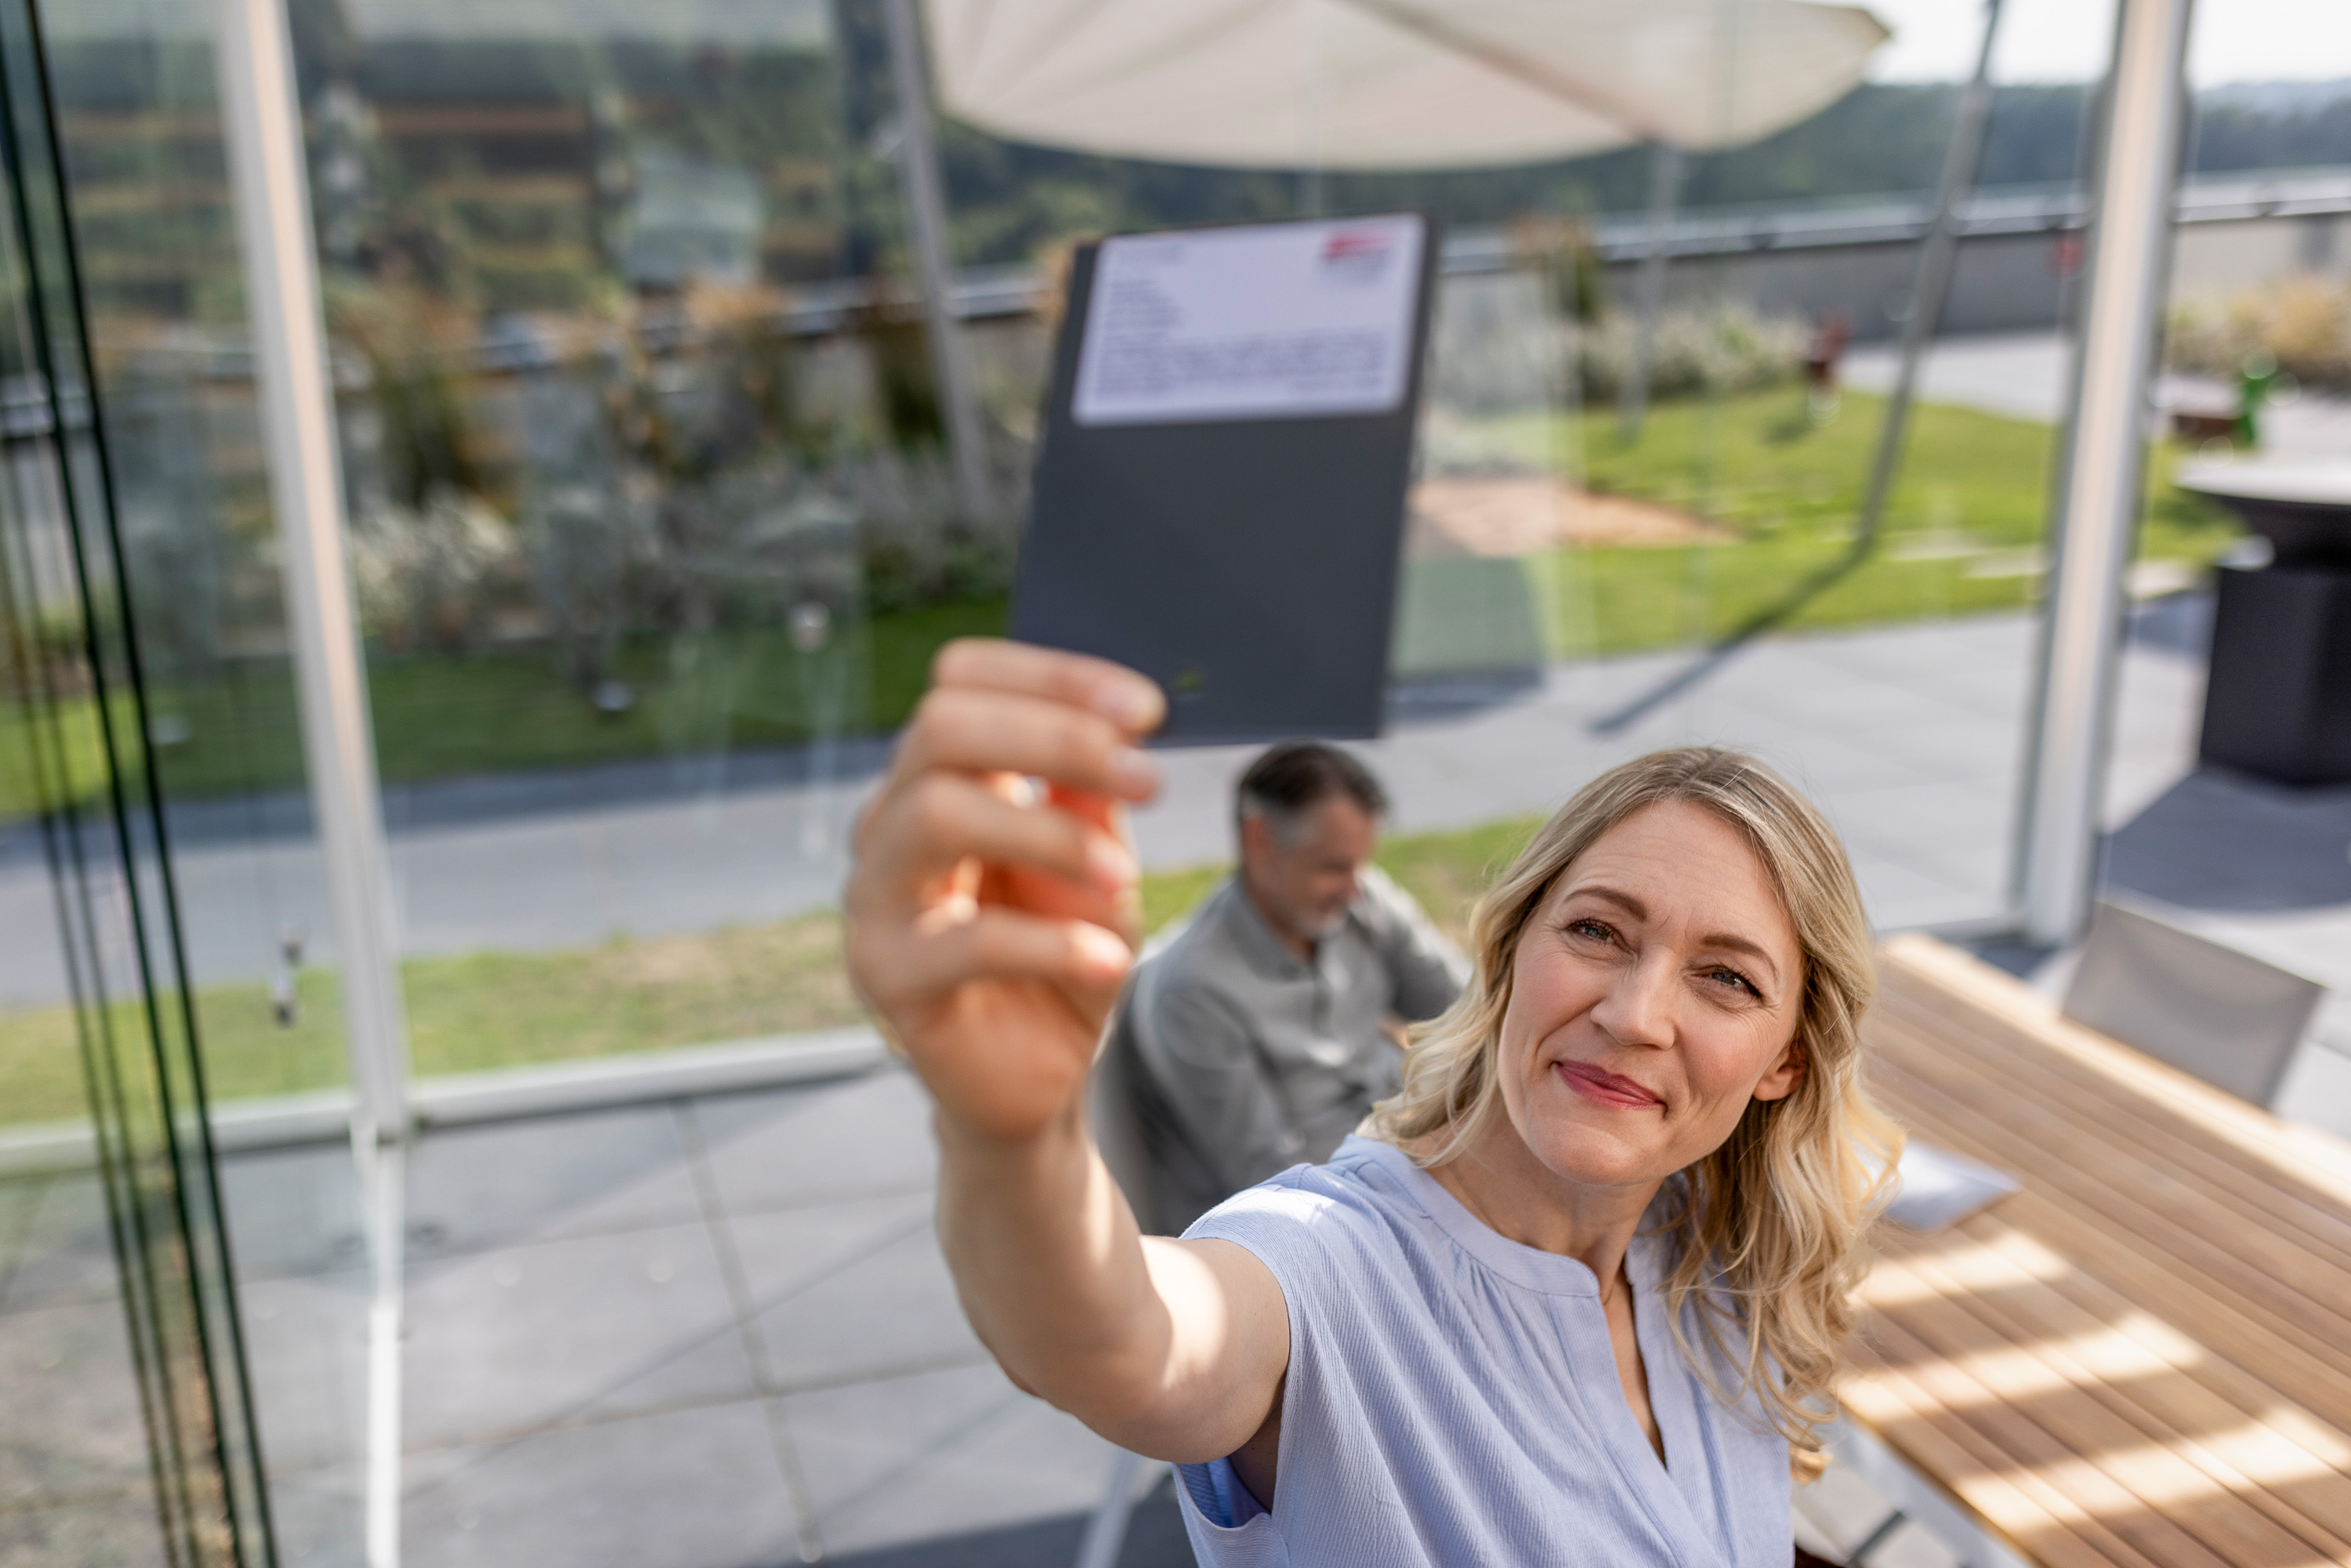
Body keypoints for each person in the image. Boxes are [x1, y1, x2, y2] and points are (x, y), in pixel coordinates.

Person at [846, 639, 1898, 1566]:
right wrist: (1009, 1130)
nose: (1635, 1012)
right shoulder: (1325, 1267)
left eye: (1727, 978)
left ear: (1785, 1062)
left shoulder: (1719, 1262)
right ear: (1510, 950)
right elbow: (1120, 1341)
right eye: (1597, 931)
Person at [1110, 741, 1465, 1234]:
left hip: (1407, 1164)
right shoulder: (1194, 989)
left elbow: (1472, 1008)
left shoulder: (1363, 903)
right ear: (1260, 840)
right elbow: (1268, 1182)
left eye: (1360, 864)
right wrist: (1432, 1175)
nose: (1355, 887)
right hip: (1310, 1229)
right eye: (1333, 867)